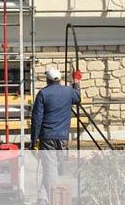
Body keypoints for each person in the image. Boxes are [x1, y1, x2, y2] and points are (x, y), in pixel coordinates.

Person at [31, 67, 82, 205]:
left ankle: (54, 201)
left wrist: (33, 142)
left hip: (47, 138)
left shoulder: (43, 93)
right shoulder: (68, 92)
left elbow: (36, 119)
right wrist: (76, 81)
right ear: (59, 79)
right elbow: (78, 97)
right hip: (63, 138)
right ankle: (42, 199)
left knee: (50, 170)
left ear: (47, 80)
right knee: (51, 168)